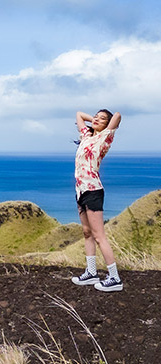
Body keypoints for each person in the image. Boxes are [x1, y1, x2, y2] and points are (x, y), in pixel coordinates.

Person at [71, 109, 123, 292]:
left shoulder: (104, 139)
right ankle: (91, 273)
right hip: (80, 190)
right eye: (96, 117)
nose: (96, 120)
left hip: (93, 190)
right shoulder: (86, 135)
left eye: (101, 119)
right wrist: (93, 119)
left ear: (106, 124)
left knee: (99, 236)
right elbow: (78, 114)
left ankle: (114, 277)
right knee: (87, 232)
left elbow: (117, 115)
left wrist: (106, 124)